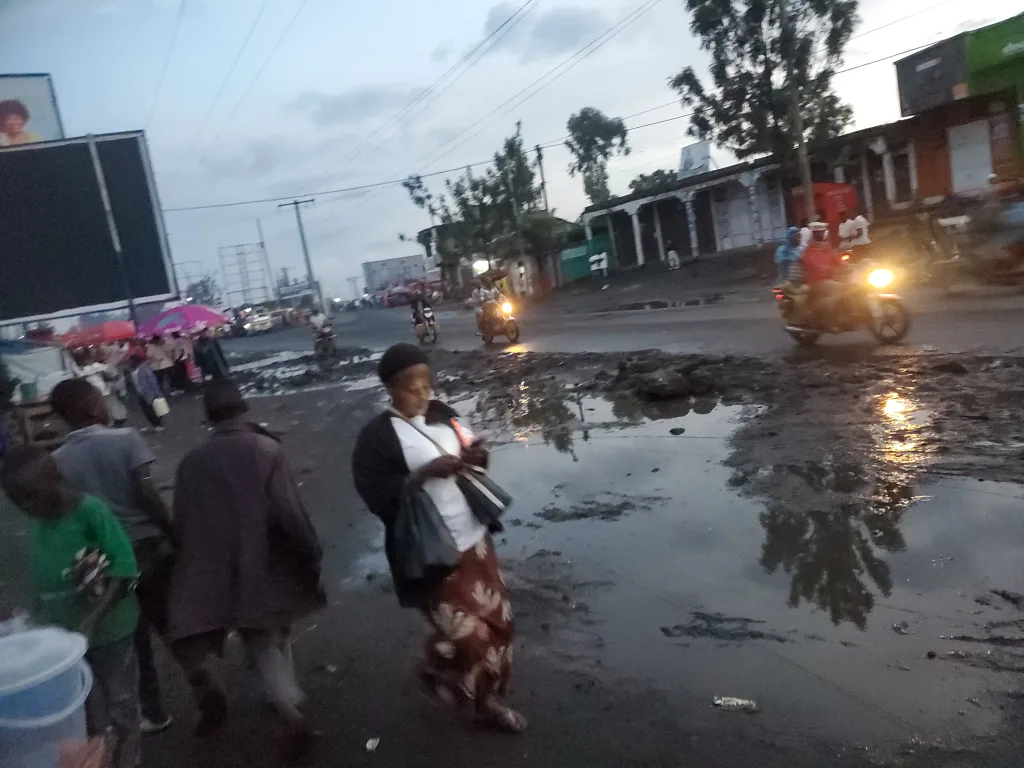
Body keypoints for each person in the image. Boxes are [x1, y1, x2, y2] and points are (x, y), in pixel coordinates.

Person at [352, 344, 526, 733]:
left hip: (475, 543)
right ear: (391, 390)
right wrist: (421, 474)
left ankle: (474, 692)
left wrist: (477, 456)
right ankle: (458, 682)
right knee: (468, 638)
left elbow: (470, 454)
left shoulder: (445, 415)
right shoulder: (377, 438)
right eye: (411, 387)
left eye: (427, 385)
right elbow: (374, 493)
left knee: (499, 628)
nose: (422, 395)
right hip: (431, 553)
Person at [167, 381, 324, 756]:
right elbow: (290, 512)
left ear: (209, 418)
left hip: (223, 564)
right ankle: (288, 704)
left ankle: (284, 695)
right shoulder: (265, 450)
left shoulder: (192, 461)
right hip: (270, 557)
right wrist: (310, 550)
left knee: (259, 634)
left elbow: (183, 520)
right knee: (268, 631)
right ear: (245, 408)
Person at [50, 378, 177, 734]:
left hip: (110, 561)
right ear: (95, 406)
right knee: (174, 622)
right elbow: (147, 494)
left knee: (136, 638)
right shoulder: (125, 439)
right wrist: (170, 530)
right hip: (150, 545)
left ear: (61, 417)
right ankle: (202, 682)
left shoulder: (58, 460)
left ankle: (153, 710)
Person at [1, 447, 141, 768]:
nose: (26, 507)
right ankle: (95, 757)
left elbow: (124, 567)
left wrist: (94, 618)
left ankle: (129, 758)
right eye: (17, 501)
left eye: (31, 497)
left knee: (121, 702)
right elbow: (43, 576)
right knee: (83, 705)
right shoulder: (40, 520)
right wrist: (35, 620)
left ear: (57, 482)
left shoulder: (90, 512)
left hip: (110, 631)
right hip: (67, 640)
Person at [801, 221, 845, 327]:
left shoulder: (827, 247)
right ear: (813, 234)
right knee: (842, 288)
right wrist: (829, 270)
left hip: (830, 280)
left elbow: (838, 263)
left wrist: (857, 266)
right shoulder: (809, 250)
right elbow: (814, 265)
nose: (821, 234)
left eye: (822, 232)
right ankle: (828, 315)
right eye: (818, 232)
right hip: (817, 281)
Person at [128, 355, 165, 432]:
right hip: (142, 393)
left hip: (148, 393)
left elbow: (152, 381)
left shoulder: (144, 369)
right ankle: (155, 424)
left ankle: (158, 424)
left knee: (151, 410)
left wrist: (157, 392)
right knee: (147, 410)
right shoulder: (135, 371)